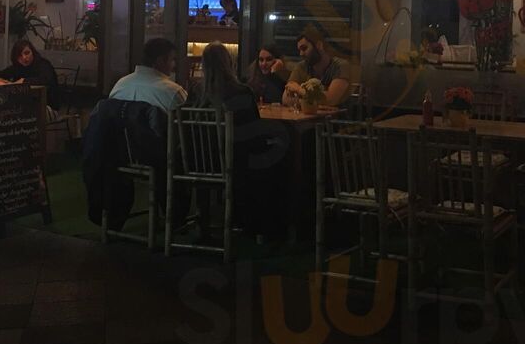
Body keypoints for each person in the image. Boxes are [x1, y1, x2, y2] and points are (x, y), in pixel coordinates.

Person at [197, 41, 287, 241]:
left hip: (202, 161)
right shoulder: (241, 91)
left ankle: (218, 217)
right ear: (229, 63)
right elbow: (255, 133)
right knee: (278, 154)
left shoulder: (197, 94)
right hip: (235, 161)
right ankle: (265, 225)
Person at [109, 38, 187, 114]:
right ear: (160, 61)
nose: (174, 64)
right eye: (172, 59)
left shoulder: (120, 85)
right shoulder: (173, 91)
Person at [284, 27, 350, 107]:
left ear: (319, 45)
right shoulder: (301, 66)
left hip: (337, 115)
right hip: (307, 114)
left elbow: (331, 100)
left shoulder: (340, 65)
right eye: (299, 50)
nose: (301, 54)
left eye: (304, 48)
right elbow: (286, 99)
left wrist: (299, 90)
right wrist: (314, 101)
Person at [0, 39, 61, 112]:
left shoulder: (43, 64)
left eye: (27, 53)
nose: (24, 57)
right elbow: (2, 74)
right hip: (25, 106)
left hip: (47, 107)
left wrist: (24, 81)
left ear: (33, 52)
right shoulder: (18, 67)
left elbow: (46, 80)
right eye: (19, 55)